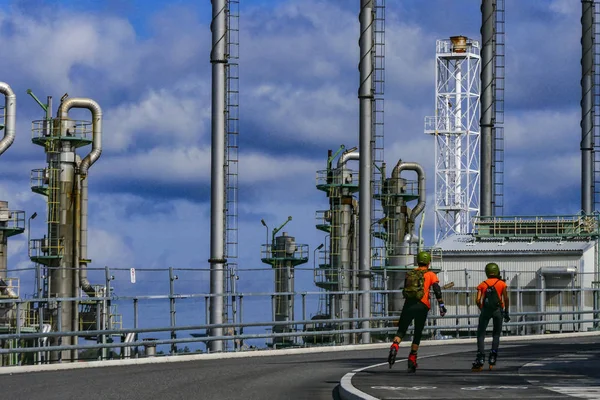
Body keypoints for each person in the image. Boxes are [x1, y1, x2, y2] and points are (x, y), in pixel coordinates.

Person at [388, 251, 447, 372]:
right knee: (418, 332)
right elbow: (437, 290)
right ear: (428, 262)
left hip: (409, 304)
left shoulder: (410, 273)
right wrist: (441, 304)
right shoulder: (430, 275)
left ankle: (395, 345)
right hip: (422, 306)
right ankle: (412, 358)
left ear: (417, 261)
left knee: (401, 330)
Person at [472, 262, 510, 371]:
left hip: (486, 311)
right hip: (498, 310)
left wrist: (482, 309)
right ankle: (493, 356)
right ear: (497, 271)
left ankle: (480, 357)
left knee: (481, 334)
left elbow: (478, 300)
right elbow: (506, 299)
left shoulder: (483, 284)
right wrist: (506, 311)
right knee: (496, 334)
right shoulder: (502, 284)